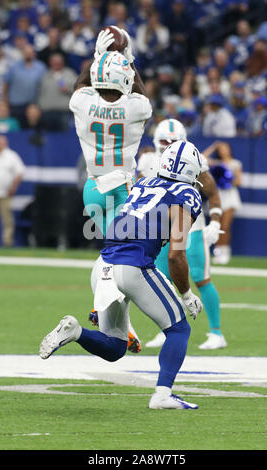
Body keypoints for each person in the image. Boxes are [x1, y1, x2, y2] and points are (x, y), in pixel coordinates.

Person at [39, 139, 204, 410]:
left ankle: (75, 332)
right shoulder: (186, 194)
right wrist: (186, 294)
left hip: (102, 265)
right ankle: (162, 395)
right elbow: (176, 254)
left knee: (115, 348)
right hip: (134, 265)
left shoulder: (144, 183)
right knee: (178, 329)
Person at [69, 29, 152, 353]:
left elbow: (80, 87)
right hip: (123, 188)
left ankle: (117, 320)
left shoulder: (83, 102)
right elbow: (142, 96)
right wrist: (128, 61)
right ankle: (103, 309)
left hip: (94, 187)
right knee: (127, 258)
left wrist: (97, 59)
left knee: (114, 254)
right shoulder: (135, 108)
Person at [139, 119, 226, 350]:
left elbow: (213, 192)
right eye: (164, 141)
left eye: (173, 141)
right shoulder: (148, 159)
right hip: (162, 229)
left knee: (200, 277)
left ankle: (216, 332)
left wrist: (215, 221)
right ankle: (165, 329)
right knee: (162, 280)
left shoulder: (194, 158)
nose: (168, 145)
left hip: (191, 224)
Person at [203, 141, 242, 265]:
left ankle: (225, 253)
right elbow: (202, 158)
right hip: (218, 197)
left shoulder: (235, 163)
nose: (223, 150)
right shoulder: (216, 164)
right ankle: (218, 253)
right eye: (220, 149)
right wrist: (213, 146)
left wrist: (227, 180)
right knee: (216, 226)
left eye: (225, 148)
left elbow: (239, 181)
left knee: (225, 226)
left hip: (230, 197)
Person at [0, 135, 25, 247]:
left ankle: (7, 243)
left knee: (7, 221)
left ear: (5, 143)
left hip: (5, 194)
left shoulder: (11, 156)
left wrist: (13, 187)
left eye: (1, 142)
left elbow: (20, 172)